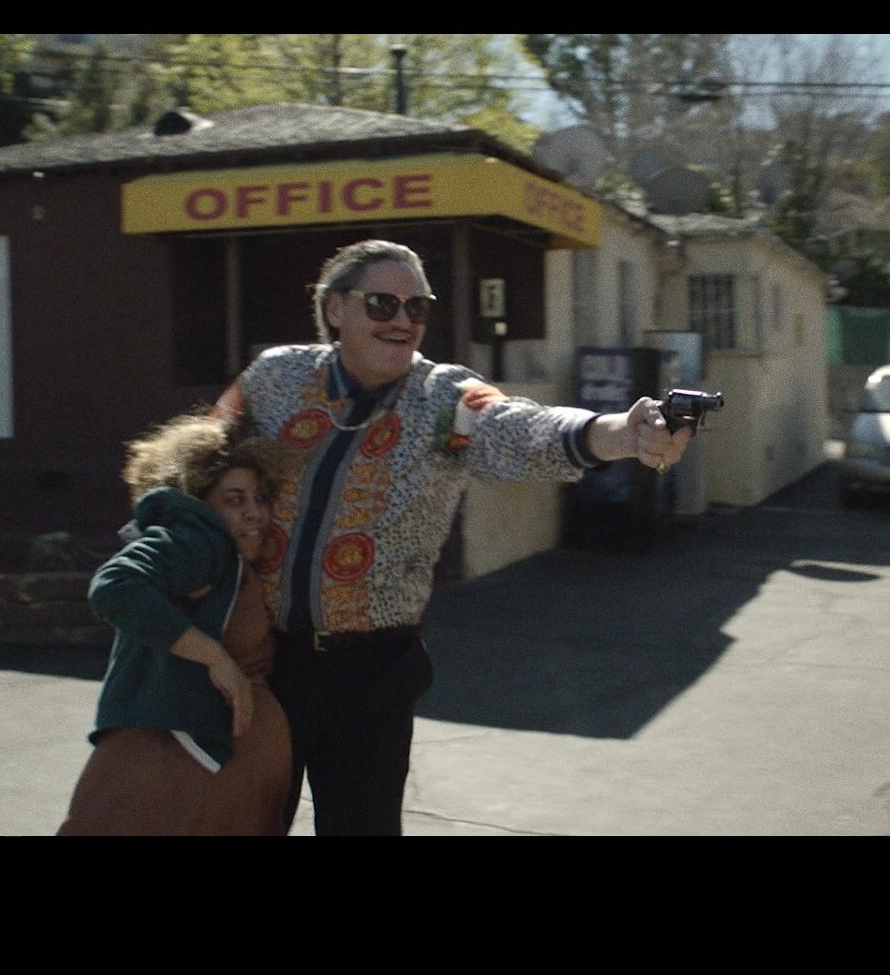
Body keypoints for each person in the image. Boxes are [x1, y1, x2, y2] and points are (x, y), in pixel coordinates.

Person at [211, 238, 692, 835]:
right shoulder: (275, 376)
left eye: (418, 307)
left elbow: (523, 429)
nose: (403, 321)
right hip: (261, 658)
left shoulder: (446, 400)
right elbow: (200, 453)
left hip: (372, 672)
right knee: (245, 823)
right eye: (383, 304)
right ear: (336, 308)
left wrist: (621, 432)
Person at [56, 411, 295, 836]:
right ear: (198, 500)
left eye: (260, 499)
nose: (255, 513)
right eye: (235, 500)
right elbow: (115, 587)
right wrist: (216, 658)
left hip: (213, 764)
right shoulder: (198, 539)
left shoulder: (226, 555)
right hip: (175, 761)